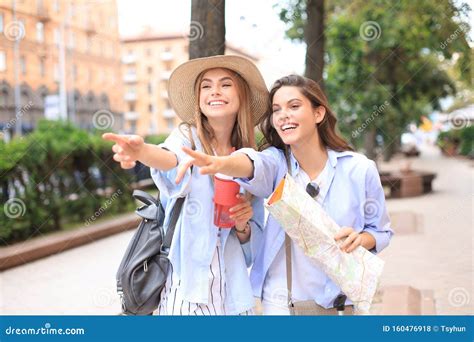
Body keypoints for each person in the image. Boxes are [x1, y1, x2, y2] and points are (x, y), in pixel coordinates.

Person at [178, 74, 394, 315]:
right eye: (276, 109)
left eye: (294, 106)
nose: (283, 115)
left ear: (318, 114)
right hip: (281, 304)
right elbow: (251, 164)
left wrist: (361, 239)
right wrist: (222, 163)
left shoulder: (359, 169)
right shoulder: (277, 166)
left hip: (341, 304)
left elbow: (381, 231)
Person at [102, 55, 269, 315]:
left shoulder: (249, 159)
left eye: (225, 84)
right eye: (206, 85)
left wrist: (243, 224)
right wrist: (142, 151)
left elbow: (253, 248)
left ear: (241, 95)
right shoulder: (186, 137)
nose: (214, 91)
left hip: (235, 297)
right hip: (188, 292)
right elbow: (169, 159)